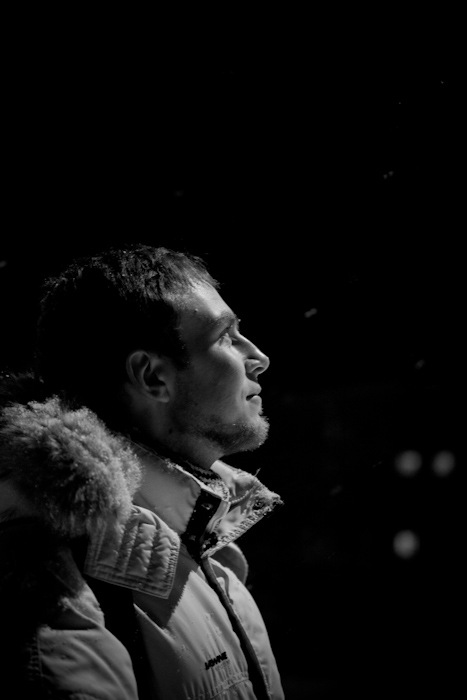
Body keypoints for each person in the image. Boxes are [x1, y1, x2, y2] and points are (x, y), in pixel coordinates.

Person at [0, 243, 284, 699]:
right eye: (225, 337)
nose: (258, 356)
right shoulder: (52, 568)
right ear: (152, 377)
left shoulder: (200, 547)